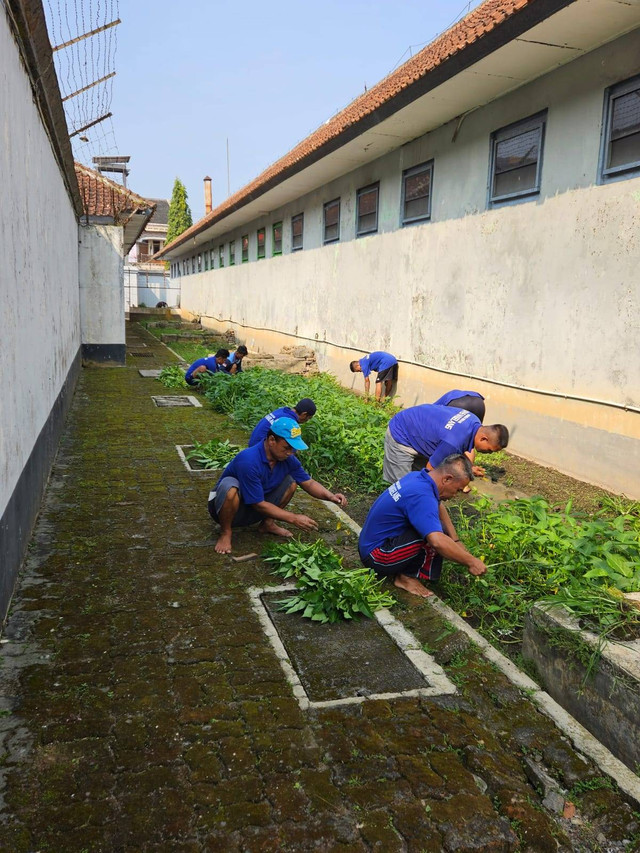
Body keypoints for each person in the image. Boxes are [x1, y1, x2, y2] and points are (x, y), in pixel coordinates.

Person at [209, 417, 347, 554]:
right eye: (286, 448)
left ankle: (267, 524)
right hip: (226, 510)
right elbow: (258, 504)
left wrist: (330, 496)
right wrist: (293, 518)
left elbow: (309, 483)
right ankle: (226, 532)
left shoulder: (288, 459)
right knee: (230, 488)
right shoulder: (248, 460)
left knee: (291, 482)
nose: (290, 453)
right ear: (271, 440)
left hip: (254, 508)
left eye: (293, 449)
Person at [359, 454, 486, 598]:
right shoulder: (422, 496)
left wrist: (456, 540)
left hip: (369, 544)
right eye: (457, 490)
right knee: (434, 536)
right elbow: (437, 541)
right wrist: (471, 561)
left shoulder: (418, 477)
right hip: (377, 557)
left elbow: (438, 507)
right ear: (447, 479)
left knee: (437, 528)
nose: (455, 495)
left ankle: (405, 571)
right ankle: (406, 577)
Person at [383, 403, 509, 483]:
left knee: (416, 479)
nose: (489, 453)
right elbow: (430, 470)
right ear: (484, 439)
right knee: (401, 487)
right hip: (402, 433)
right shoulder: (453, 441)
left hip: (418, 428)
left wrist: (469, 467)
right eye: (490, 450)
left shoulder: (473, 420)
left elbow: (455, 449)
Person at [248, 398, 317, 447]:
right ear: (304, 414)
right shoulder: (289, 421)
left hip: (252, 444)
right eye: (309, 418)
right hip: (260, 449)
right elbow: (290, 446)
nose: (307, 421)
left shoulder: (282, 411)